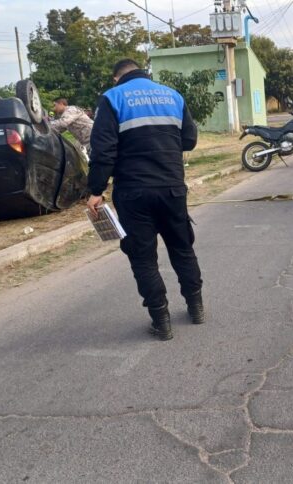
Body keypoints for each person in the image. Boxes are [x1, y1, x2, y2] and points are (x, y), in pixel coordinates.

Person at [87, 59, 203, 341]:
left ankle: (161, 320)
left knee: (142, 257)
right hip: (172, 188)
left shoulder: (112, 98)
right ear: (142, 71)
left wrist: (95, 190)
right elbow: (189, 140)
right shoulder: (172, 95)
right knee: (182, 248)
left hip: (133, 193)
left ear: (117, 77)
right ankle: (196, 307)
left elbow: (103, 151)